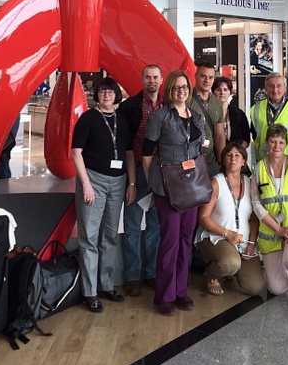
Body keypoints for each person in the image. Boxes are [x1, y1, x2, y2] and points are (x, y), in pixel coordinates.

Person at [143, 70, 206, 317]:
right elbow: (147, 154)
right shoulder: (160, 117)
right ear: (169, 90)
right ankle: (164, 295)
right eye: (177, 87)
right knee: (169, 241)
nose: (181, 91)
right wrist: (153, 182)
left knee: (185, 240)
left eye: (185, 87)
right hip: (167, 187)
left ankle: (181, 291)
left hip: (191, 185)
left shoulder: (197, 117)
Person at [71, 77, 136, 313]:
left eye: (110, 91)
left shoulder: (122, 119)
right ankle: (90, 292)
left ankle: (106, 285)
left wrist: (132, 182)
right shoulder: (88, 118)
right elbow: (76, 153)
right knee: (89, 236)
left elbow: (128, 152)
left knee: (109, 236)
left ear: (116, 95)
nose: (106, 95)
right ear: (97, 94)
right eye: (102, 91)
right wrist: (86, 185)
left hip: (118, 182)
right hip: (94, 181)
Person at [250, 124, 288, 301]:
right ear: (266, 144)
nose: (276, 146)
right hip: (271, 234)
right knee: (278, 289)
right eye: (272, 141)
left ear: (286, 145)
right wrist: (278, 229)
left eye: (280, 142)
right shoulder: (258, 168)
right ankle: (282, 266)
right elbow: (256, 203)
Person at [196, 142, 265, 296]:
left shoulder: (250, 183)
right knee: (230, 262)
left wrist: (252, 243)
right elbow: (203, 217)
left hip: (243, 241)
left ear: (243, 162)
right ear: (224, 161)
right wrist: (227, 233)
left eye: (237, 155)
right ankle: (211, 276)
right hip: (216, 236)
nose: (233, 158)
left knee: (254, 287)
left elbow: (254, 218)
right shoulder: (216, 182)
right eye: (229, 155)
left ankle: (230, 271)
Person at [119, 64, 164, 296]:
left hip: (161, 172)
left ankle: (152, 273)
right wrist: (132, 182)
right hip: (136, 169)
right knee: (133, 226)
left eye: (155, 77)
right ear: (142, 79)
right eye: (148, 77)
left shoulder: (168, 106)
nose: (152, 81)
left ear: (161, 79)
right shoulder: (129, 107)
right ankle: (133, 276)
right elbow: (126, 147)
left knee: (156, 225)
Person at [250, 72, 288, 162]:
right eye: (271, 86)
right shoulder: (255, 109)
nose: (275, 90)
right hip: (264, 163)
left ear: (285, 88)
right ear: (265, 89)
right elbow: (255, 135)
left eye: (279, 86)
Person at [188, 61, 225, 176]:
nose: (207, 80)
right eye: (203, 76)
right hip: (190, 162)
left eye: (210, 77)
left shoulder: (217, 103)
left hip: (211, 163)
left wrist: (221, 162)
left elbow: (219, 135)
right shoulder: (186, 100)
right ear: (195, 76)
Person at [212, 76, 250, 148]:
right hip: (213, 156)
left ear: (230, 92)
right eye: (218, 90)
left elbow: (246, 138)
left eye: (225, 89)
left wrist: (238, 152)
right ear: (213, 92)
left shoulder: (239, 114)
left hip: (234, 156)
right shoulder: (208, 113)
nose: (222, 93)